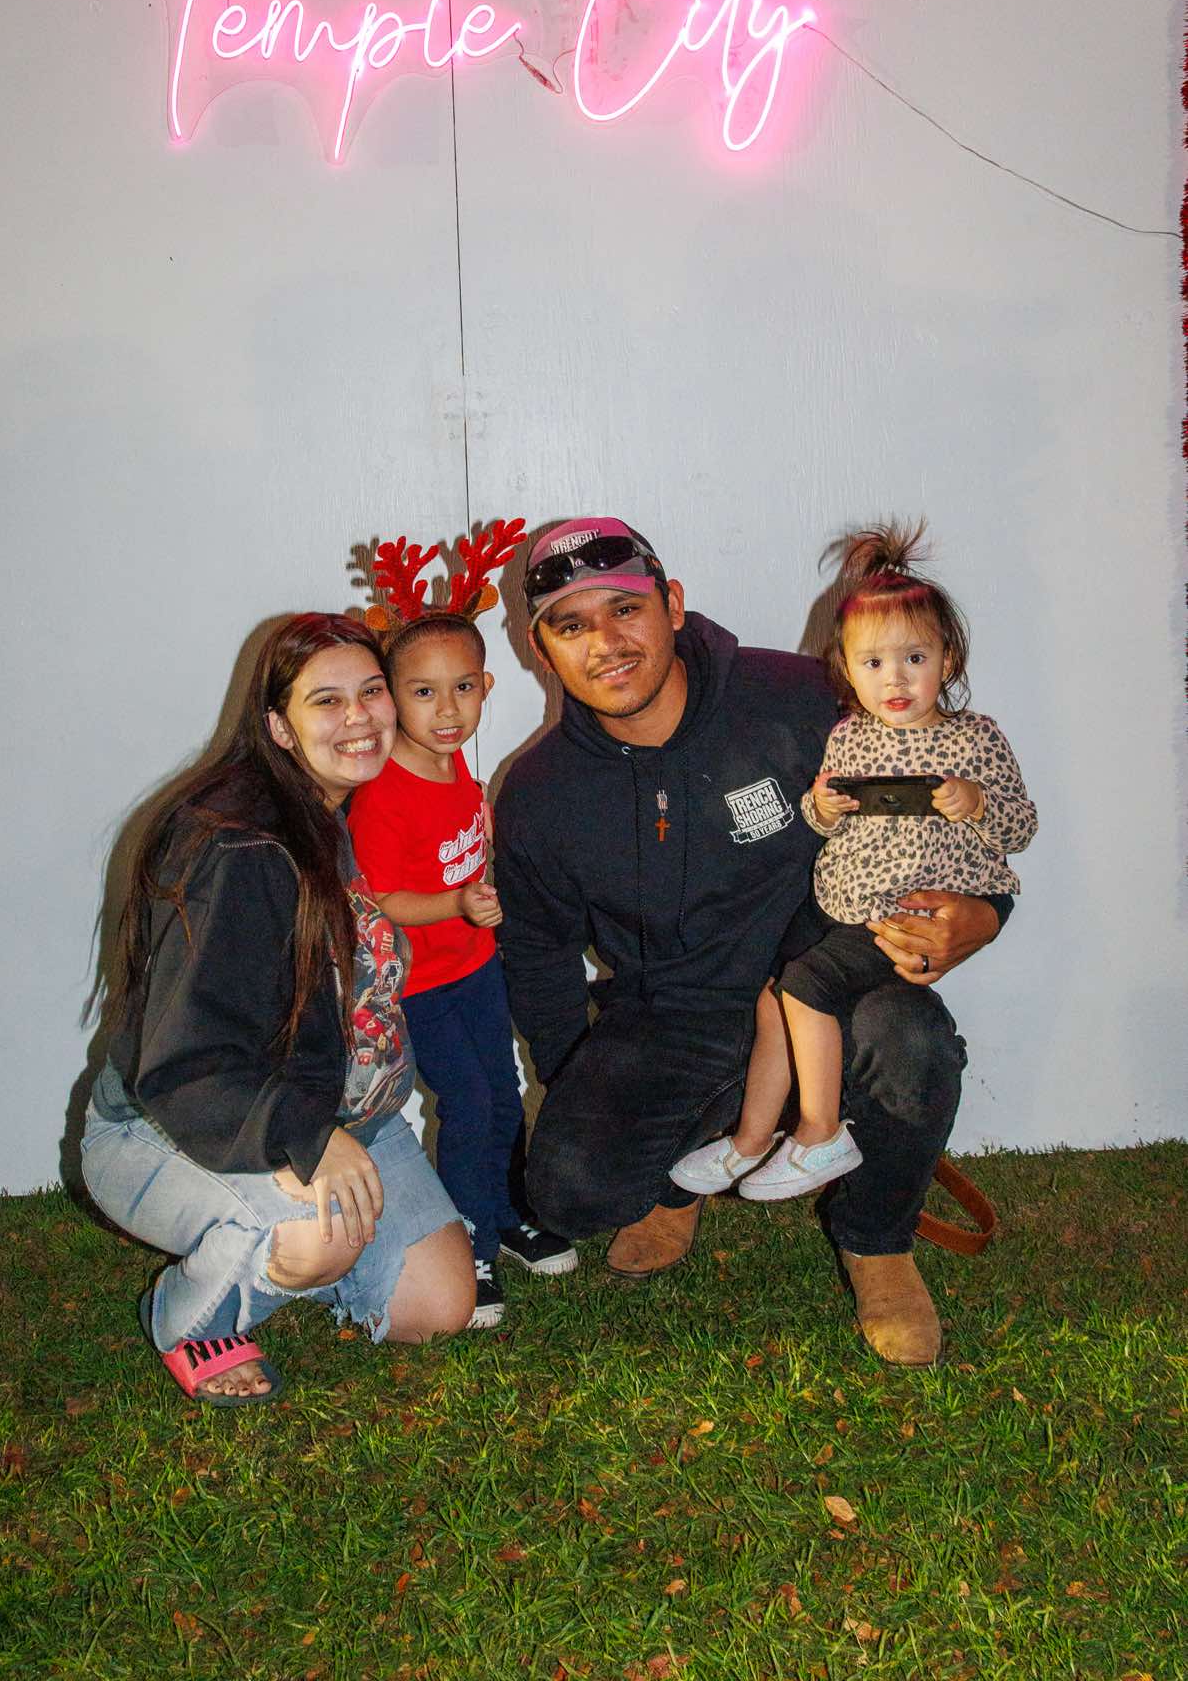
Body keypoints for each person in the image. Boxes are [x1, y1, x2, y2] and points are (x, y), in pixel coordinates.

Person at [493, 518, 1009, 1367]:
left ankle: (876, 1243)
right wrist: (574, 1082)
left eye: (625, 609)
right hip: (671, 1014)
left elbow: (946, 805)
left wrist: (983, 914)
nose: (606, 643)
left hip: (825, 988)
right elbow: (539, 954)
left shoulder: (800, 698)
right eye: (570, 625)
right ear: (539, 648)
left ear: (672, 605)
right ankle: (685, 1174)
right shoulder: (540, 792)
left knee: (911, 1042)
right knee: (571, 1194)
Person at [82, 614, 474, 1406]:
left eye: (371, 692)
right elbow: (186, 1063)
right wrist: (308, 1139)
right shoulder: (241, 849)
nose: (358, 716)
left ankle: (303, 1253)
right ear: (279, 727)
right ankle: (192, 1320)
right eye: (326, 700)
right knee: (315, 1239)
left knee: (435, 1310)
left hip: (340, 1118)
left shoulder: (329, 808)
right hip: (171, 1128)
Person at [674, 522, 1036, 1204]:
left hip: (901, 914)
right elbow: (822, 823)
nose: (893, 678)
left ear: (947, 660)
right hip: (841, 902)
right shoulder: (848, 736)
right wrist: (820, 806)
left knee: (806, 987)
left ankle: (818, 1132)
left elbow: (1020, 828)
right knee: (774, 998)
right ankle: (750, 1139)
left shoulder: (975, 738)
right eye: (872, 663)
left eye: (913, 658)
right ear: (846, 666)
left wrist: (977, 801)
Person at [349, 613, 576, 1331]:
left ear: (486, 686)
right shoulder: (381, 794)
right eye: (423, 692)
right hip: (420, 985)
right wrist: (454, 902)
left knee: (504, 1093)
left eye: (463, 688)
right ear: (390, 697)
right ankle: (470, 1244)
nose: (447, 710)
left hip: (476, 968)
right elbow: (380, 900)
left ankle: (506, 1214)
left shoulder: (458, 773)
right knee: (470, 1103)